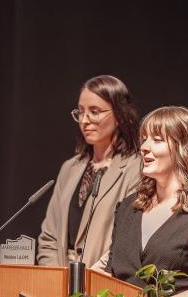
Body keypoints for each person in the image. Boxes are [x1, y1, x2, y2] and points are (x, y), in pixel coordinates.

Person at [105, 106, 188, 297]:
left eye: (157, 140)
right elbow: (110, 276)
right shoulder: (128, 208)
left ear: (184, 147)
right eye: (144, 139)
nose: (145, 147)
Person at [37, 75, 142, 268]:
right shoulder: (70, 168)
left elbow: (126, 242)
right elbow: (48, 238)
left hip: (102, 286)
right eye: (81, 112)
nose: (85, 120)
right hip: (59, 285)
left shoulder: (135, 168)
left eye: (95, 112)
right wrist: (55, 281)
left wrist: (90, 283)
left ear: (119, 115)